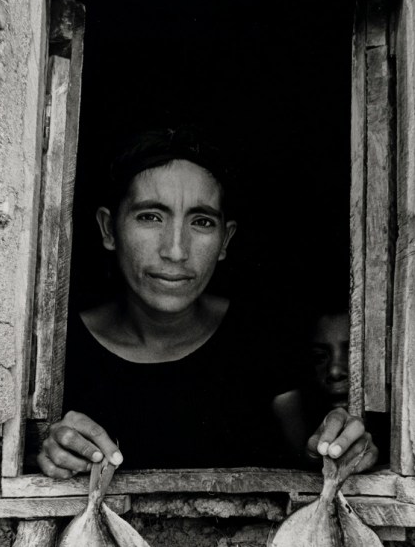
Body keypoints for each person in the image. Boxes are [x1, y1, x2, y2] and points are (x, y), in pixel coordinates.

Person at [38, 128, 378, 479]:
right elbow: (45, 449)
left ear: (225, 239)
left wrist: (340, 448)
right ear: (109, 229)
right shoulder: (62, 351)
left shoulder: (259, 338)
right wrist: (47, 451)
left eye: (201, 222)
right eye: (150, 217)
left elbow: (303, 461)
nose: (175, 251)